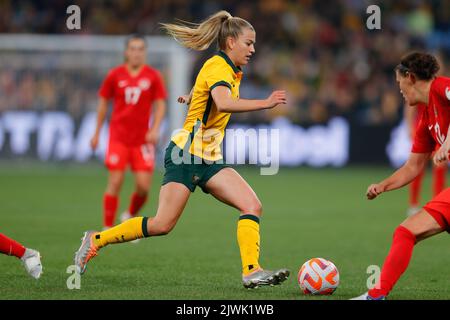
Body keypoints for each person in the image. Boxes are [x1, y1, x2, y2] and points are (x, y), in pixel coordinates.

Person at [75, 10, 290, 289]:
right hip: (185, 154)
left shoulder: (229, 69)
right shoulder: (219, 66)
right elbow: (223, 102)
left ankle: (251, 270)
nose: (253, 49)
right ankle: (96, 240)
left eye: (253, 43)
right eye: (248, 43)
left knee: (252, 205)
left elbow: (209, 91)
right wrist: (266, 102)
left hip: (210, 156)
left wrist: (192, 96)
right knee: (162, 225)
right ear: (231, 42)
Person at [352, 52, 450, 300]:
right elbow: (413, 167)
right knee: (406, 232)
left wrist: (448, 141)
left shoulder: (442, 87)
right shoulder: (427, 117)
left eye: (399, 83)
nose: (399, 90)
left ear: (411, 77)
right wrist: (383, 185)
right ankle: (377, 295)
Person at [90, 34, 167, 232]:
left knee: (143, 187)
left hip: (142, 140)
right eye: (132, 49)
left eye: (140, 49)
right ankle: (107, 228)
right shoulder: (115, 75)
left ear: (145, 52)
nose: (136, 53)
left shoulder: (153, 76)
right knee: (115, 181)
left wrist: (155, 128)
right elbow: (103, 104)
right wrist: (97, 133)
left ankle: (129, 214)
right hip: (119, 138)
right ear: (126, 52)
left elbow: (160, 104)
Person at [404, 104, 447, 216]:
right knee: (417, 167)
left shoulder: (440, 89)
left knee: (440, 166)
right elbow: (410, 107)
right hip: (422, 128)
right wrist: (410, 128)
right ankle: (413, 204)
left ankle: (438, 204)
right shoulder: (420, 87)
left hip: (439, 129)